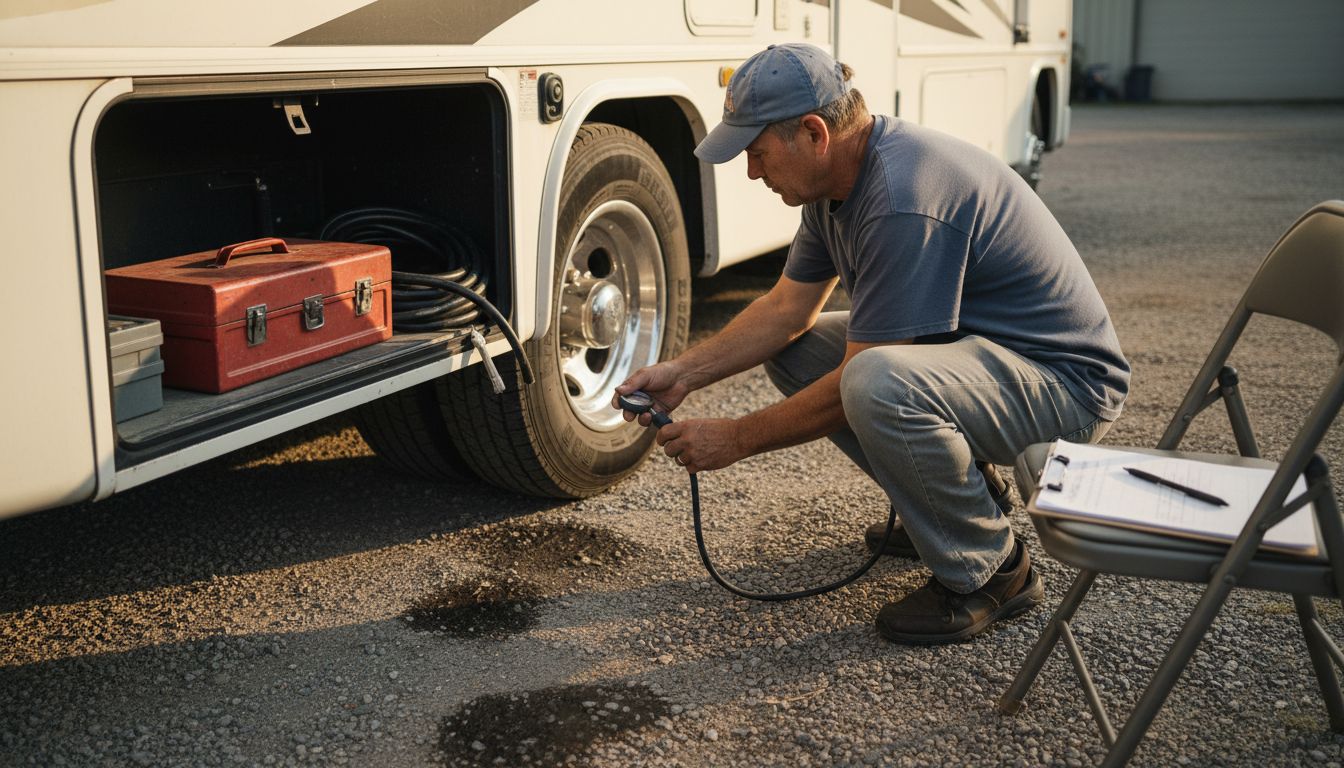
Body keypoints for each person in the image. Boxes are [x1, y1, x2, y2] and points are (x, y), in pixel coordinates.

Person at [612, 43, 1129, 644]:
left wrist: (736, 438)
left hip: (1066, 389)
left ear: (814, 133)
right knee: (802, 351)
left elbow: (859, 381)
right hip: (993, 364)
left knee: (876, 382)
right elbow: (785, 313)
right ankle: (959, 498)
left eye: (757, 152)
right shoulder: (834, 186)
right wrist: (682, 373)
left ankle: (991, 568)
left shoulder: (901, 198)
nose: (752, 172)